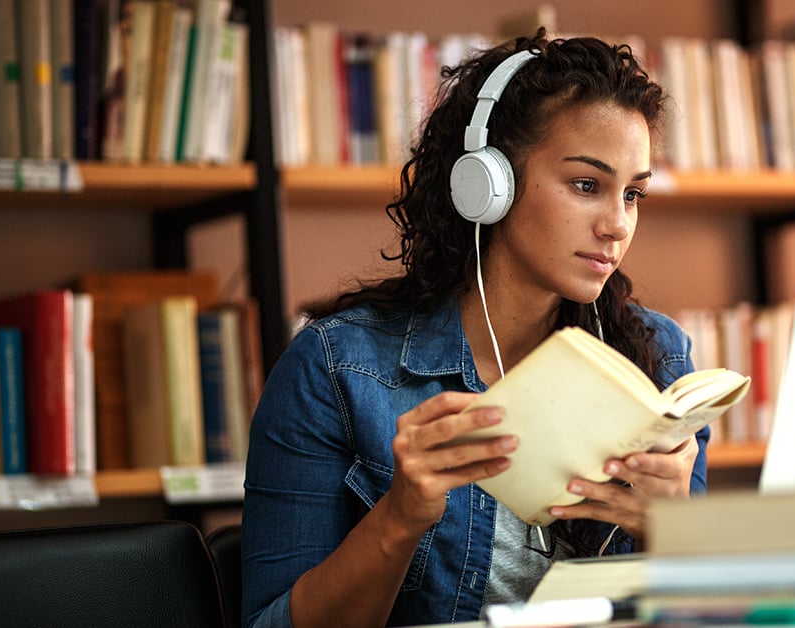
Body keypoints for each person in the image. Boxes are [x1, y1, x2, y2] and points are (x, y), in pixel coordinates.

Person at [241, 30, 711, 627]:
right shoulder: (334, 369)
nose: (618, 225)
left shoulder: (658, 358)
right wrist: (401, 515)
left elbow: (692, 614)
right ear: (488, 184)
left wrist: (673, 530)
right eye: (587, 185)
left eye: (634, 193)